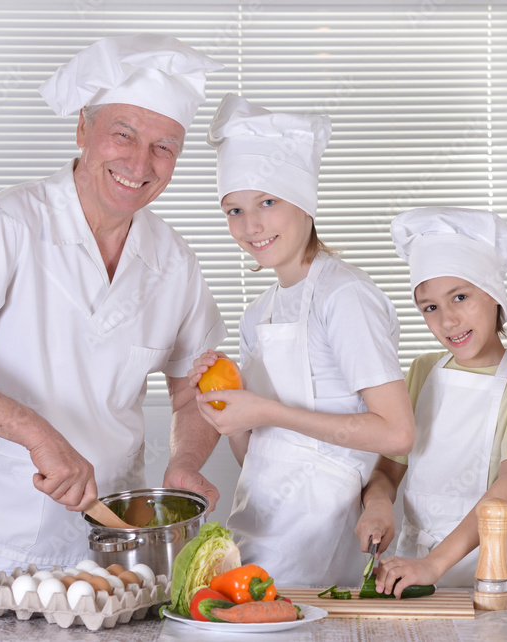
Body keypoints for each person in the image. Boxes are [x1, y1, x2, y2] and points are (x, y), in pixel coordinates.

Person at [0, 34, 227, 638]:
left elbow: (192, 389)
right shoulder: (11, 225)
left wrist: (187, 459)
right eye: (123, 134)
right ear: (82, 130)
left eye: (163, 146)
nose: (140, 163)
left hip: (104, 554)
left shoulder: (175, 261)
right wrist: (33, 432)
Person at [189, 94, 416, 587]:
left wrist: (264, 411)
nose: (251, 226)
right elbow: (259, 455)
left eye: (268, 202)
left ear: (304, 202)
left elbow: (396, 433)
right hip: (254, 535)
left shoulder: (345, 296)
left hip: (325, 545)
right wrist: (225, 413)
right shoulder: (259, 313)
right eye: (234, 210)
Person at [355, 207, 507, 594]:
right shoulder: (422, 372)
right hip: (409, 567)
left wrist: (434, 565)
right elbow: (386, 472)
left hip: (491, 572)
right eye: (430, 307)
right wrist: (378, 503)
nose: (447, 321)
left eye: (460, 297)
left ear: (494, 294)